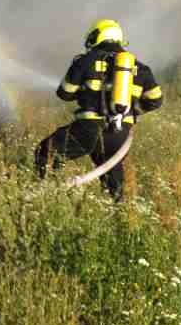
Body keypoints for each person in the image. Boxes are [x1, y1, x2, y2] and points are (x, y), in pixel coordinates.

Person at [34, 19, 163, 201]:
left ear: (98, 36)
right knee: (112, 177)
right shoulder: (140, 68)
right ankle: (117, 210)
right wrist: (131, 110)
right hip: (119, 135)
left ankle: (43, 197)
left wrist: (85, 92)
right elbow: (156, 100)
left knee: (46, 152)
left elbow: (65, 93)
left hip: (88, 129)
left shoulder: (84, 62)